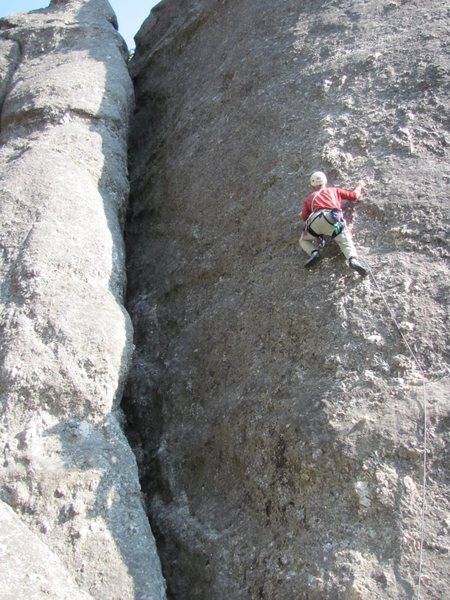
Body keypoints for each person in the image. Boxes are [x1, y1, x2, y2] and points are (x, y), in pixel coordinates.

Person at [299, 171, 368, 276]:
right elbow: (354, 196)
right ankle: (352, 259)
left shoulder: (309, 198)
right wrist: (359, 185)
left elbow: (304, 217)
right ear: (325, 182)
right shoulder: (334, 190)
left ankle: (314, 253)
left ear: (313, 185)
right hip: (331, 219)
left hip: (315, 221)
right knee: (345, 241)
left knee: (303, 240)